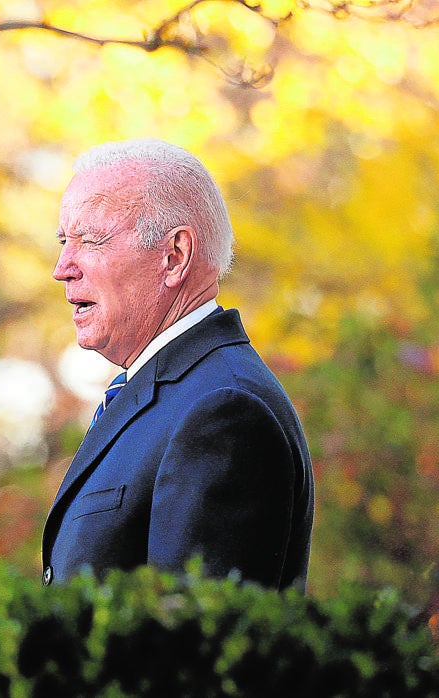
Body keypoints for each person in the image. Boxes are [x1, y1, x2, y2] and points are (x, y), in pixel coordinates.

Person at [41, 138, 314, 589]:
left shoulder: (223, 410)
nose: (62, 267)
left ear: (174, 257)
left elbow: (192, 644)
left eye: (90, 239)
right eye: (63, 241)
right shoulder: (173, 394)